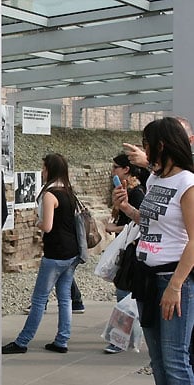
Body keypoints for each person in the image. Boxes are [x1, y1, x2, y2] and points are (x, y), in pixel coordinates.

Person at [114, 117, 194, 384]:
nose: (144, 151)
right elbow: (150, 223)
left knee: (175, 360)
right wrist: (127, 209)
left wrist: (175, 286)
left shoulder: (187, 183)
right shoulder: (156, 180)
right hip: (145, 277)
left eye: (147, 145)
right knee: (157, 360)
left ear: (161, 144)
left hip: (171, 280)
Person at [2, 153, 80, 354]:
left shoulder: (50, 195)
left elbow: (47, 226)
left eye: (44, 168)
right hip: (72, 253)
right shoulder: (69, 192)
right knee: (64, 298)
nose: (42, 172)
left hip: (55, 254)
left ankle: (22, 341)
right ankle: (62, 340)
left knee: (39, 300)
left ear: (50, 170)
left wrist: (36, 222)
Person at [103, 152, 147, 354]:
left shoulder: (137, 193)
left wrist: (115, 229)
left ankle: (120, 338)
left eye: (115, 168)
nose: (112, 171)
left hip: (132, 249)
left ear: (126, 170)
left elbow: (139, 224)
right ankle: (124, 336)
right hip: (127, 248)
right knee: (124, 293)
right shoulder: (125, 190)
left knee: (124, 293)